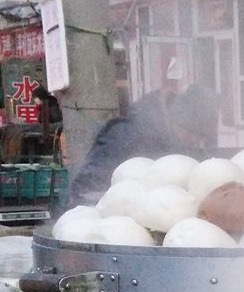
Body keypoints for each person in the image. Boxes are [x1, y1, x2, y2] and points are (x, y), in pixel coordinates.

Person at [69, 84, 219, 204]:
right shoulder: (126, 134)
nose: (194, 140)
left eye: (200, 136)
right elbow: (86, 188)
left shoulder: (183, 148)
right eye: (191, 132)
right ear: (176, 120)